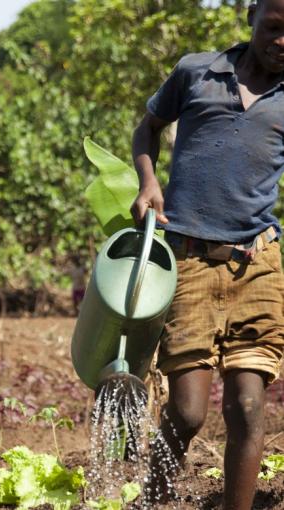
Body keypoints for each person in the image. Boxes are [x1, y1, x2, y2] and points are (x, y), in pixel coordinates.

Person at [132, 2, 284, 507]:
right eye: (274, 28)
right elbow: (146, 129)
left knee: (246, 407)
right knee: (190, 411)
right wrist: (149, 183)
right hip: (190, 261)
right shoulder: (198, 70)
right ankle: (153, 499)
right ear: (251, 17)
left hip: (258, 265)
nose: (282, 41)